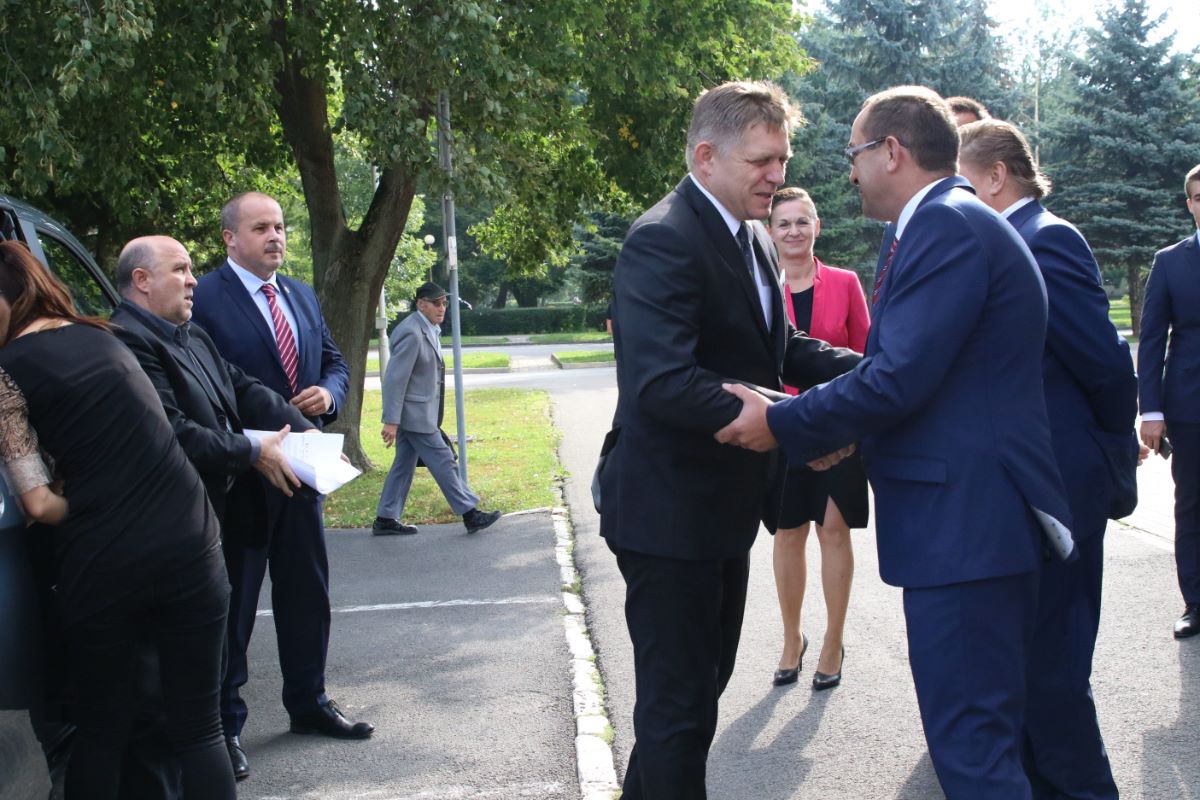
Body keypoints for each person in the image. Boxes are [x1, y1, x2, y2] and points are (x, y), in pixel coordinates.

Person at [717, 86, 1074, 800]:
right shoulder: (948, 221)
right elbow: (930, 381)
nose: (849, 172)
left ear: (891, 151)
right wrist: (844, 437)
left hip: (966, 528)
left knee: (973, 753)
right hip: (969, 525)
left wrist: (782, 423)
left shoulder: (945, 225)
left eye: (854, 154)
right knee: (978, 744)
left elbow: (897, 378)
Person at [600, 80, 861, 799]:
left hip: (717, 512)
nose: (777, 176)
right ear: (706, 156)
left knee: (692, 698)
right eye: (762, 161)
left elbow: (781, 348)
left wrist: (876, 375)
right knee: (679, 711)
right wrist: (792, 422)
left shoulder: (749, 235)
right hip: (667, 514)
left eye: (783, 160)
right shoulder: (663, 237)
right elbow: (661, 382)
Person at [0, 240, 236, 799]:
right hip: (194, 541)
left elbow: (38, 504)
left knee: (103, 729)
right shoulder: (103, 336)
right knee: (200, 729)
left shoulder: (6, 373)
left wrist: (85, 504)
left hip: (106, 559)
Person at [959, 118, 1137, 800]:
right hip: (1024, 489)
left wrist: (1110, 453)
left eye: (962, 181)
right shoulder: (1002, 241)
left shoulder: (1045, 239)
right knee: (1027, 672)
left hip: (1063, 486)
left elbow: (1105, 365)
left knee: (1055, 675)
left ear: (997, 176)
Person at [110, 234, 319, 780]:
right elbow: (173, 433)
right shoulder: (125, 342)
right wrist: (253, 451)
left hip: (220, 514)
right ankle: (213, 740)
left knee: (225, 634)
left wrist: (306, 434)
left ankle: (219, 735)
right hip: (176, 530)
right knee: (195, 660)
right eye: (180, 270)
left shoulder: (190, 332)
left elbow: (243, 387)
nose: (193, 280)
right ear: (142, 281)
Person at [190, 192, 372, 770]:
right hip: (241, 478)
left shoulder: (299, 294)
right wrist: (245, 448)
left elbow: (336, 363)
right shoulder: (203, 298)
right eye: (261, 228)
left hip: (304, 471)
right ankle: (226, 726)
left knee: (306, 594)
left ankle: (309, 702)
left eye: (280, 226)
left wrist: (329, 394)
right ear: (229, 238)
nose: (276, 236)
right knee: (236, 606)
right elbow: (196, 386)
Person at [766, 187, 869, 689]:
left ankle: (833, 641)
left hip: (838, 429)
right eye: (783, 223)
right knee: (788, 532)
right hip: (781, 425)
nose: (793, 231)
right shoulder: (762, 286)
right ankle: (792, 638)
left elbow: (868, 357)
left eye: (802, 221)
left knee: (833, 530)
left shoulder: (846, 282)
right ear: (770, 232)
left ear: (817, 227)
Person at [373, 281, 501, 535]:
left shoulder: (429, 328)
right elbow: (395, 379)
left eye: (444, 303)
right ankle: (470, 514)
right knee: (444, 460)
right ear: (421, 304)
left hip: (419, 413)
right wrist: (391, 420)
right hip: (415, 415)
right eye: (435, 303)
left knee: (403, 465)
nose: (441, 308)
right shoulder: (412, 332)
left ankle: (385, 518)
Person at [1138, 163, 1200, 638]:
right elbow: (1152, 338)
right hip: (1189, 404)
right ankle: (1196, 602)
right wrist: (1152, 411)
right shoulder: (1170, 262)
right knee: (1192, 505)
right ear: (1190, 204)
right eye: (1199, 197)